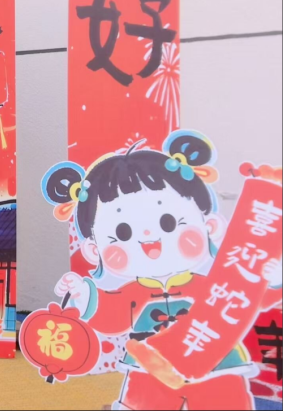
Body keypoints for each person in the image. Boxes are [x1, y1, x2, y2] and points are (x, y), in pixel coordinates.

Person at [44, 130, 282, 410]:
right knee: (144, 402)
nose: (148, 238)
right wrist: (82, 293)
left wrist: (272, 277)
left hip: (215, 361)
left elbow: (246, 296)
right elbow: (112, 316)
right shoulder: (133, 293)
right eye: (123, 232)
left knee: (224, 401)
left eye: (169, 223)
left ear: (210, 227)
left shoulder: (214, 285)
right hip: (150, 364)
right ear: (94, 250)